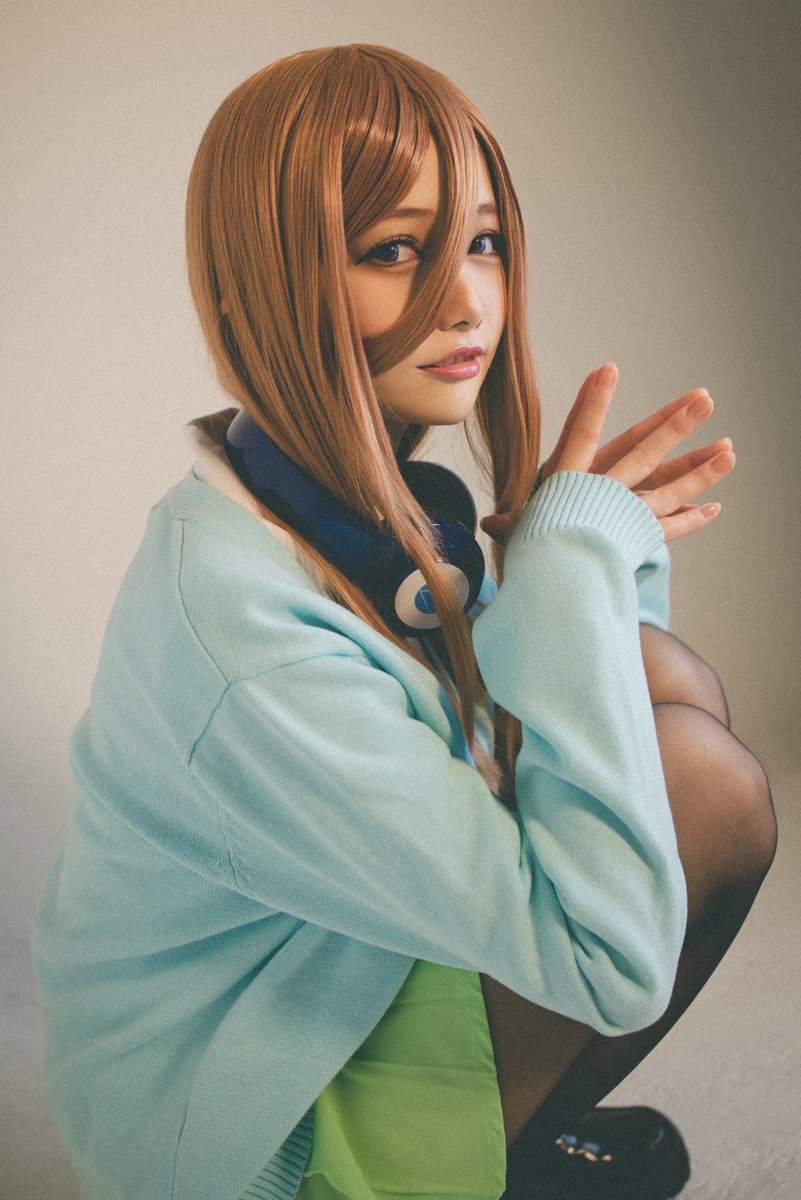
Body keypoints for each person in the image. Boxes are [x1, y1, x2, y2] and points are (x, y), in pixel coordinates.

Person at [32, 43, 776, 1200]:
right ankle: (478, 1157)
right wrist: (568, 565)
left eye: (482, 241)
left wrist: (577, 575)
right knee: (706, 786)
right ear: (261, 286)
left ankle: (505, 1138)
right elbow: (613, 957)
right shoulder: (240, 622)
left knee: (660, 682)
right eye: (393, 249)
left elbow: (569, 735)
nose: (468, 298)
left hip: (324, 972)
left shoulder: (332, 499)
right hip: (244, 1140)